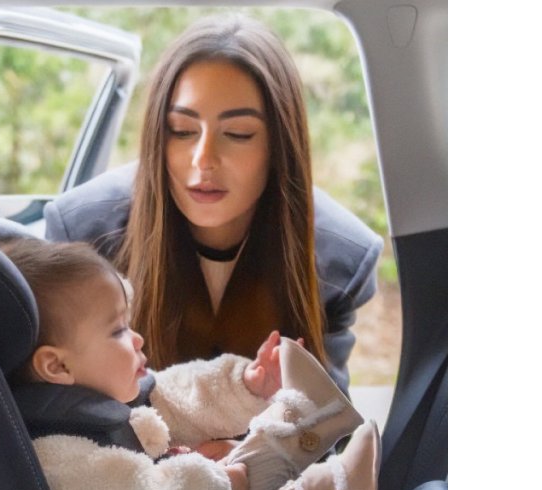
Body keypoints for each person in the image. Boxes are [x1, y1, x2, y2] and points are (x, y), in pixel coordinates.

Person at [0, 239, 378, 490]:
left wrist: (246, 386)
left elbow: (172, 396)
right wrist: (222, 484)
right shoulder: (58, 463)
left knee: (207, 470)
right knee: (215, 481)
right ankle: (302, 426)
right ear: (57, 367)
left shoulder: (94, 406)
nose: (137, 339)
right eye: (117, 331)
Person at [43, 15, 383, 394]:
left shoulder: (341, 259)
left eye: (238, 134)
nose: (203, 159)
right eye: (182, 131)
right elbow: (62, 407)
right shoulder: (83, 231)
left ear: (279, 145)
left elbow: (324, 416)